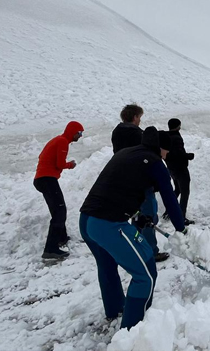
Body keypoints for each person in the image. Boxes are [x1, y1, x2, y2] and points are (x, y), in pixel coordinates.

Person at [79, 127, 188, 329]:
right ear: (161, 149)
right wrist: (181, 228)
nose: (166, 156)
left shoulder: (127, 152)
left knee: (107, 266)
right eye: (166, 152)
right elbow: (170, 199)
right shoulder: (155, 162)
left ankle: (116, 309)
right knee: (145, 273)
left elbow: (120, 186)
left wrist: (137, 214)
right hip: (108, 224)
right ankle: (134, 333)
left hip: (86, 220)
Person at [111, 104, 166, 262]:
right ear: (135, 116)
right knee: (148, 215)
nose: (140, 121)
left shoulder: (117, 132)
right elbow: (146, 157)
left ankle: (135, 247)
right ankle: (150, 251)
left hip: (123, 178)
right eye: (139, 117)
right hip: (140, 181)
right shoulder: (136, 134)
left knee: (135, 215)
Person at [34, 121, 83, 259]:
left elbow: (41, 156)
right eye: (79, 133)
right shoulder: (62, 142)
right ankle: (50, 249)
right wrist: (70, 164)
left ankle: (61, 237)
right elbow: (60, 163)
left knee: (57, 210)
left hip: (42, 179)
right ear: (72, 132)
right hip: (47, 179)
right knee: (60, 211)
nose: (80, 136)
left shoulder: (57, 140)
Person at [165, 118, 195, 225]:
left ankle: (168, 210)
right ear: (178, 126)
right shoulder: (176, 138)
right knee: (185, 192)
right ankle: (181, 216)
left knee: (177, 189)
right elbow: (179, 154)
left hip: (171, 168)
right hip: (180, 169)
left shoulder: (167, 137)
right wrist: (189, 156)